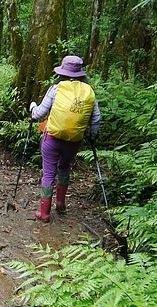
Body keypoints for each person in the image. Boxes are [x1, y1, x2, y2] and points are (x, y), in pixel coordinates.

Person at [29, 55, 101, 222]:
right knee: (64, 167)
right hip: (74, 141)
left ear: (62, 72)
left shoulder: (56, 88)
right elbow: (96, 118)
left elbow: (39, 114)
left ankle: (44, 213)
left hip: (52, 139)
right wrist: (92, 136)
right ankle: (60, 204)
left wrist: (33, 107)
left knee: (49, 174)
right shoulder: (89, 91)